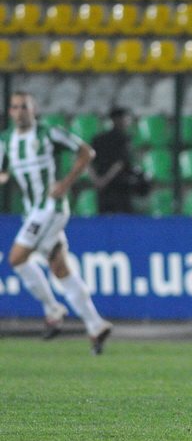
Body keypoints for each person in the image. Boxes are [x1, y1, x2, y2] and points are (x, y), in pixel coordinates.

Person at [0, 92, 113, 353]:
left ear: (33, 109)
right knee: (60, 268)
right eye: (15, 107)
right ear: (10, 112)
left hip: (50, 208)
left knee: (17, 258)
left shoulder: (49, 133)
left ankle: (53, 309)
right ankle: (96, 325)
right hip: (32, 211)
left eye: (24, 107)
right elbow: (3, 172)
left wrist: (65, 183)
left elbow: (86, 152)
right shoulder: (5, 140)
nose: (20, 111)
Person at [90, 107, 146, 214]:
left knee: (104, 218)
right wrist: (105, 180)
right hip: (120, 187)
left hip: (102, 188)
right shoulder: (124, 139)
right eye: (126, 118)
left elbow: (88, 162)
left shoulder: (98, 138)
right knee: (123, 220)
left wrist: (97, 180)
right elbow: (120, 163)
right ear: (118, 119)